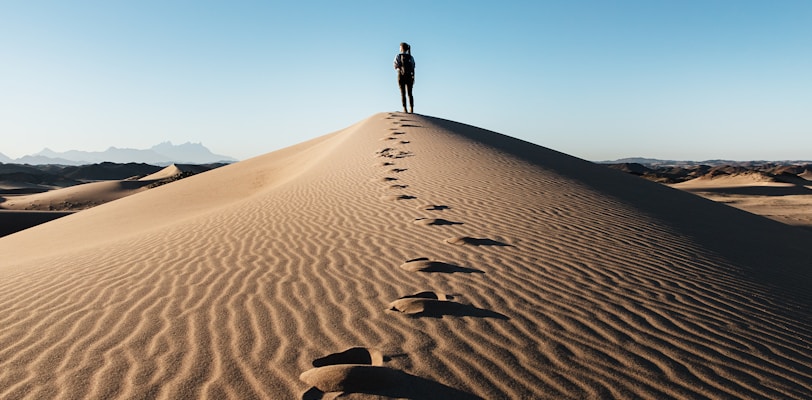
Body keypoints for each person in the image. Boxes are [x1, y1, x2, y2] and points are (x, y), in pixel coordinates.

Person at [393, 42, 415, 113]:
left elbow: (395, 65)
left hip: (401, 76)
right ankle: (411, 108)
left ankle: (404, 108)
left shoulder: (398, 56)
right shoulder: (410, 57)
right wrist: (413, 77)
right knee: (410, 93)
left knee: (403, 93)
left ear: (401, 48)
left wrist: (399, 69)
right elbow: (413, 67)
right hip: (409, 76)